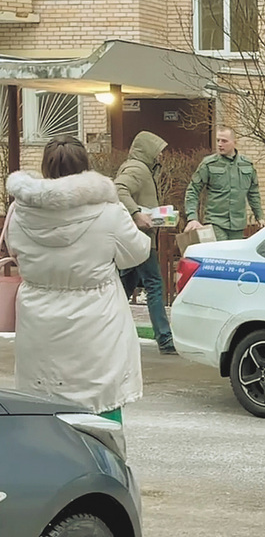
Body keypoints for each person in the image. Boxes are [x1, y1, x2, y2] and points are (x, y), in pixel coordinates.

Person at [5, 135, 150, 422]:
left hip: (39, 322)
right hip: (97, 322)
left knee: (43, 407)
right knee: (101, 409)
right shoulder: (109, 211)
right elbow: (136, 253)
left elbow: (14, 251)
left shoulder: (19, 212)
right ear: (85, 167)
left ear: (45, 168)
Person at [114, 130, 176, 355]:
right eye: (158, 151)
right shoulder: (138, 169)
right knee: (154, 284)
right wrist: (137, 213)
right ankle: (165, 339)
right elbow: (118, 189)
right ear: (147, 150)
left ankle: (105, 330)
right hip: (140, 240)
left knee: (123, 288)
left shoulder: (139, 168)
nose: (160, 156)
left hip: (134, 239)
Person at [184, 125, 265, 241]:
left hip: (238, 224)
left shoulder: (247, 165)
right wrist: (192, 217)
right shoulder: (209, 164)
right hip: (215, 221)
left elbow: (253, 193)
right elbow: (193, 190)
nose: (220, 144)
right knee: (222, 250)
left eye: (224, 141)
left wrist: (259, 216)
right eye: (218, 140)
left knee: (234, 252)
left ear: (234, 142)